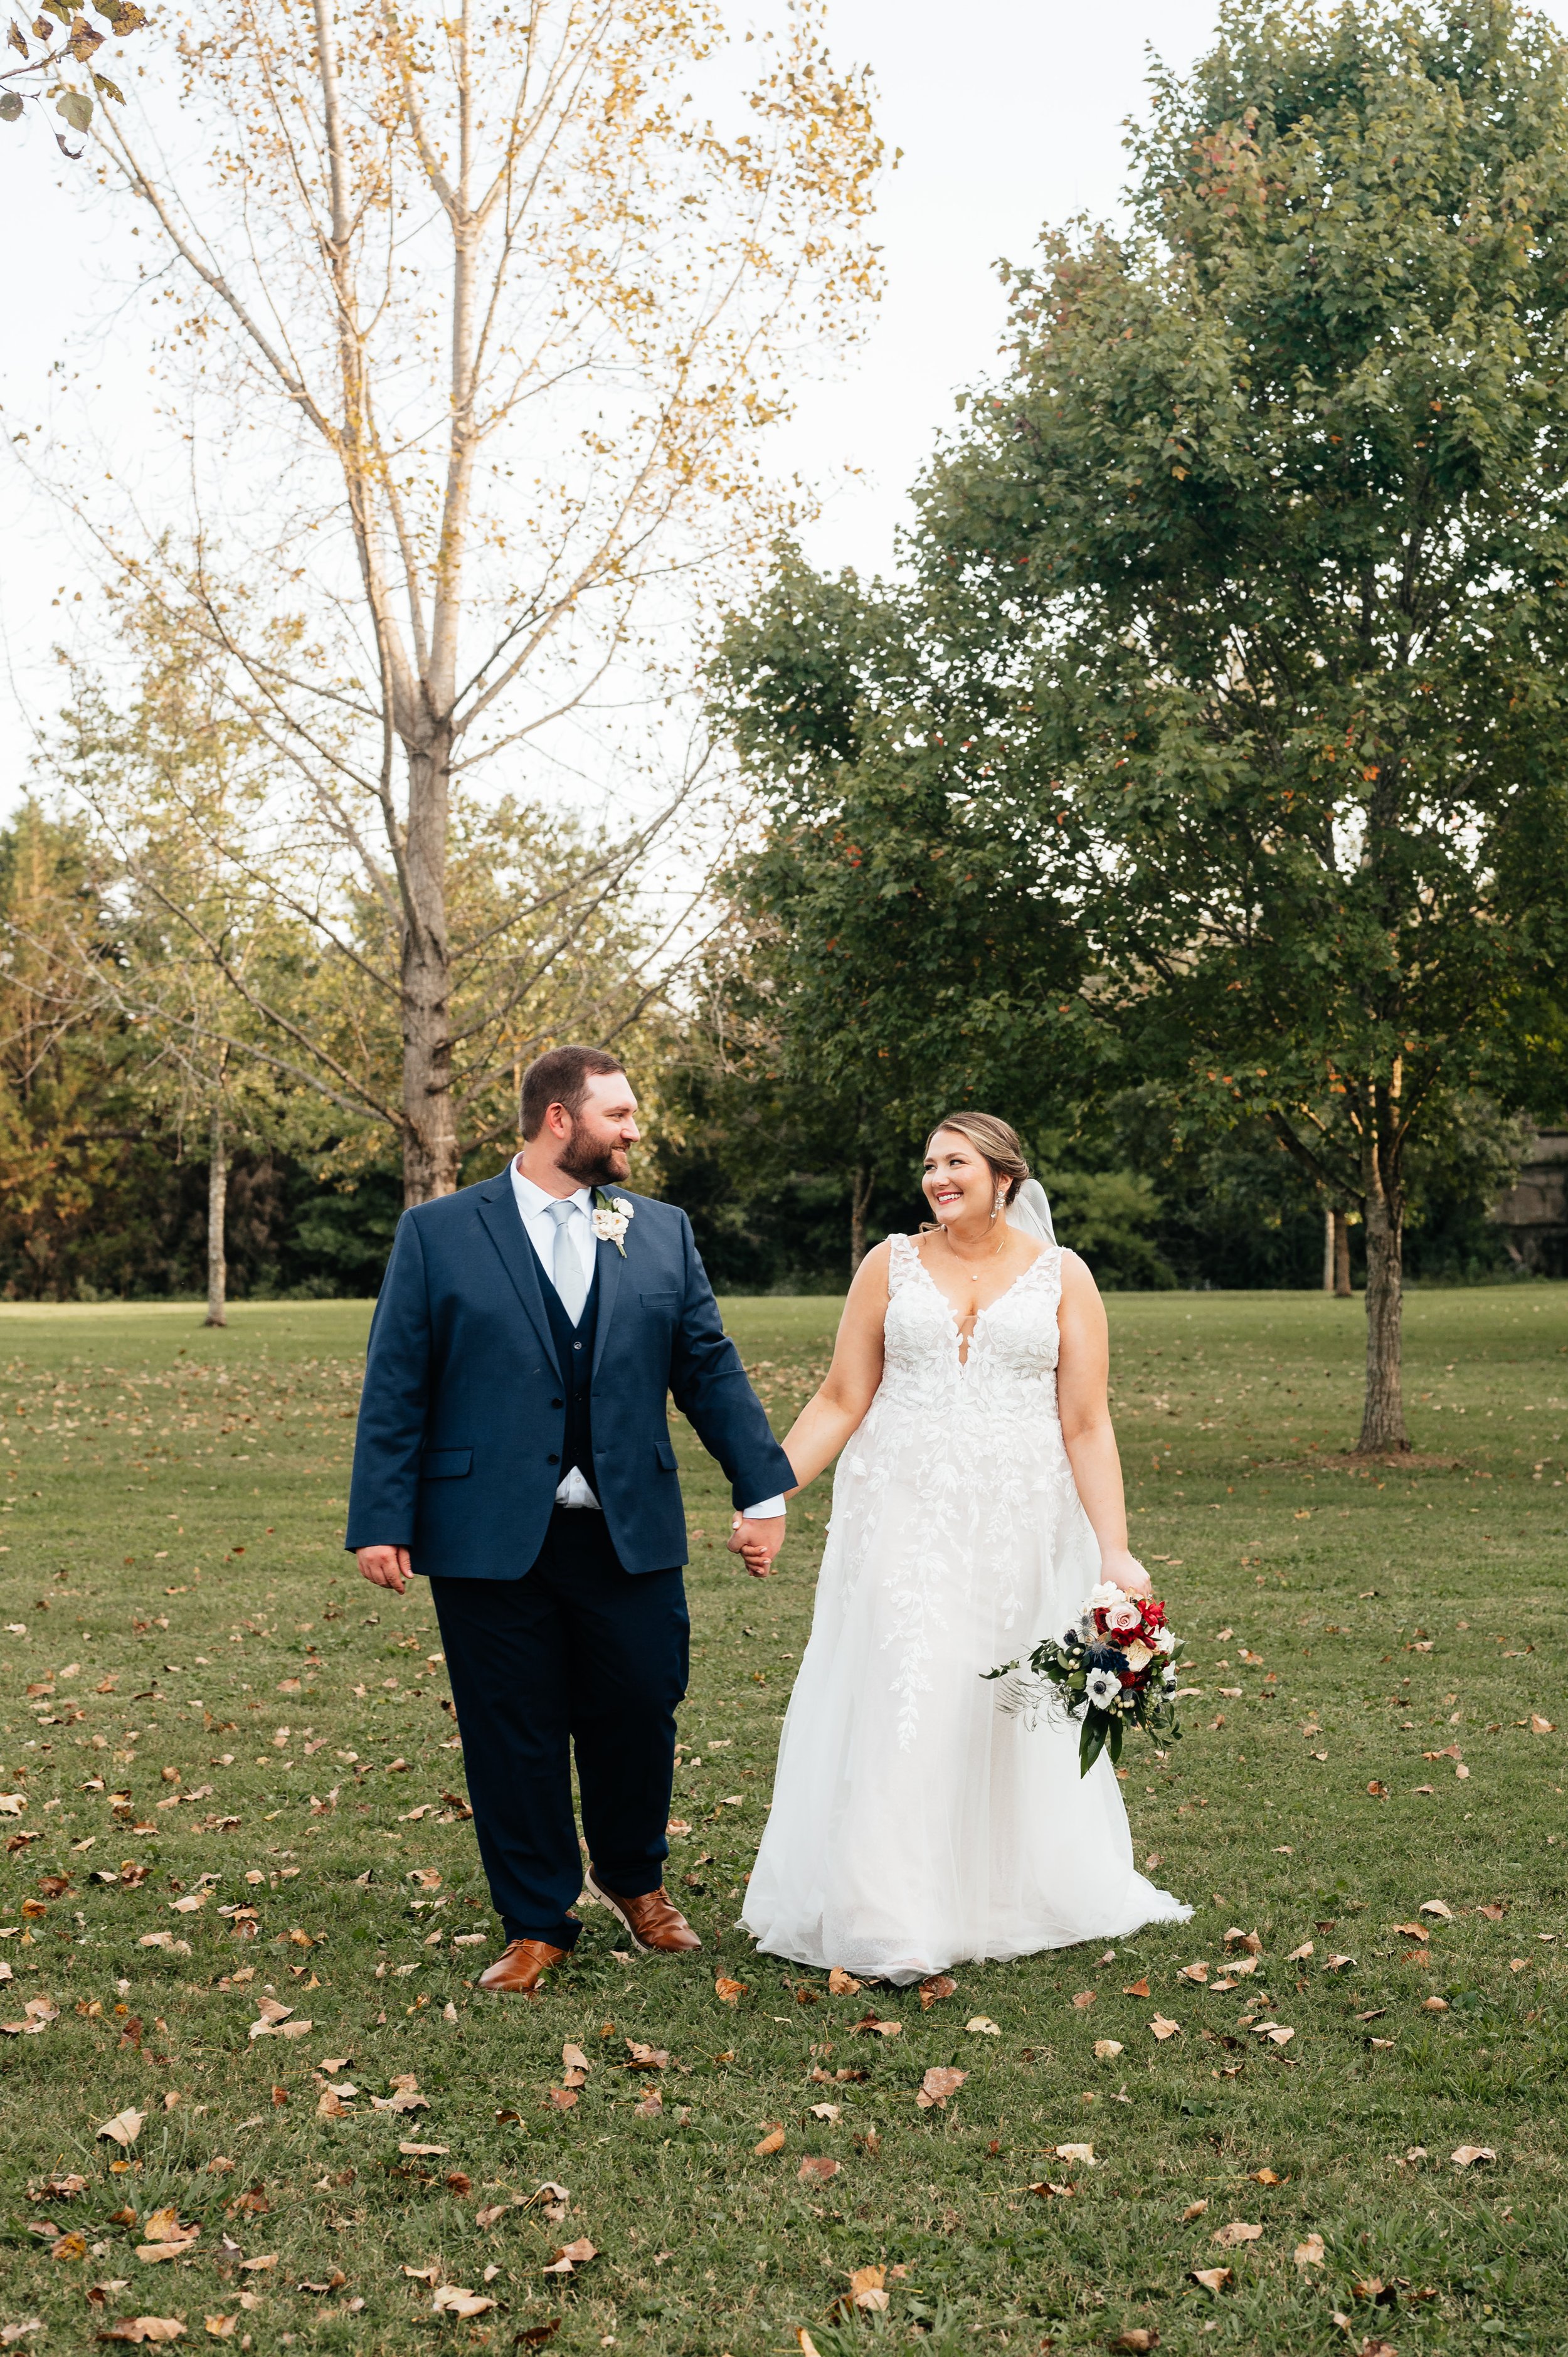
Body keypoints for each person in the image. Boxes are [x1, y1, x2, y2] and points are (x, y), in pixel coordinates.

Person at [346, 1045, 795, 1995]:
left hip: (627, 1525)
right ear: (561, 1118)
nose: (636, 1130)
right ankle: (538, 1920)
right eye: (620, 1114)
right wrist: (379, 1518)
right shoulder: (438, 1232)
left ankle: (634, 1880)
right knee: (510, 1729)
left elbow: (707, 1366)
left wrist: (762, 1489)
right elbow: (397, 1382)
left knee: (640, 1706)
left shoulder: (660, 1230)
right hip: (485, 1531)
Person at [741, 1112, 1190, 1984]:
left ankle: (986, 1892)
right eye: (930, 1164)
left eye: (958, 1162)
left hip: (1020, 1517)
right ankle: (887, 1915)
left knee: (994, 1702)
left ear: (1005, 1178)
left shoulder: (1065, 1276)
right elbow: (840, 1396)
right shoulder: (889, 1264)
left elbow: (1087, 1421)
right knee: (908, 1686)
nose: (939, 1177)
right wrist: (768, 1493)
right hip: (900, 1506)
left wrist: (1117, 1550)